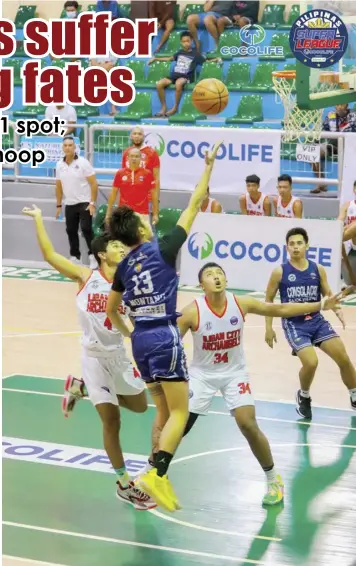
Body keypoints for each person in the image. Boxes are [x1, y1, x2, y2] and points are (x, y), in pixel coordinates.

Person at [105, 141, 223, 513]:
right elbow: (195, 203)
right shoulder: (165, 246)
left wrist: (130, 333)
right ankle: (156, 474)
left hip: (139, 340)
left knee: (162, 411)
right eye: (143, 220)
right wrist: (208, 167)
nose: (147, 221)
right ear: (140, 230)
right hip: (163, 336)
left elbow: (112, 310)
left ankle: (156, 469)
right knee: (180, 413)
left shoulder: (123, 267)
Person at [22, 205, 158, 511]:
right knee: (112, 421)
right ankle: (125, 485)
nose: (122, 249)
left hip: (119, 357)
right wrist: (41, 219)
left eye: (124, 245)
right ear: (101, 254)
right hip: (94, 359)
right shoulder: (86, 276)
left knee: (139, 406)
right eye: (115, 246)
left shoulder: (131, 281)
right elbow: (50, 256)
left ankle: (80, 389)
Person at [176, 262, 342, 505]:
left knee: (248, 424)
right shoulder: (191, 311)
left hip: (235, 373)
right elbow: (172, 345)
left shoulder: (241, 303)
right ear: (201, 285)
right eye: (210, 275)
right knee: (179, 426)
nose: (217, 277)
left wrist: (320, 304)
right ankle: (153, 474)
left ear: (226, 280)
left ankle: (273, 479)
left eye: (220, 273)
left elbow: (282, 308)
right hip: (203, 375)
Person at [265, 227, 356, 419]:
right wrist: (268, 328)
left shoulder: (317, 269)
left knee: (344, 358)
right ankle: (304, 396)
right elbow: (269, 301)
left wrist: (337, 309)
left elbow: (328, 295)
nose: (295, 247)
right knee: (311, 362)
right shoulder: (279, 272)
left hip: (316, 321)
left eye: (299, 243)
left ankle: (354, 395)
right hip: (294, 324)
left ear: (307, 245)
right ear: (287, 247)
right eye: (291, 244)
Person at [149, 31, 221, 117]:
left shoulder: (196, 54)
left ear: (191, 41)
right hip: (174, 75)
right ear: (181, 42)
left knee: (178, 83)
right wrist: (156, 59)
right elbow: (169, 59)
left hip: (186, 77)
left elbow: (206, 62)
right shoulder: (179, 53)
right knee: (159, 84)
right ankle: (164, 107)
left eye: (188, 41)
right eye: (183, 41)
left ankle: (175, 108)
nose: (186, 43)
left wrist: (216, 59)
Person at [55, 136, 98, 268]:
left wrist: (92, 203)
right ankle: (75, 257)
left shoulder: (83, 163)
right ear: (63, 148)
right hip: (70, 203)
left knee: (86, 229)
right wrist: (58, 205)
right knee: (71, 230)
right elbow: (58, 186)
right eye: (65, 145)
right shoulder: (59, 165)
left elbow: (94, 184)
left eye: (70, 145)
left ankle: (93, 256)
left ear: (75, 147)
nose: (68, 147)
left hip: (84, 202)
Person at [105, 147, 159, 226]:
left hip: (142, 214)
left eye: (137, 156)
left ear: (141, 158)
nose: (134, 159)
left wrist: (155, 214)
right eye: (132, 156)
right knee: (123, 238)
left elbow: (154, 194)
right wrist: (108, 213)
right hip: (124, 214)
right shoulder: (120, 173)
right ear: (127, 158)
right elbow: (113, 194)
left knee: (142, 238)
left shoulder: (148, 174)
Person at [311, 104, 356, 194]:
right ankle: (321, 183)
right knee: (314, 152)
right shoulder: (330, 114)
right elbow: (324, 129)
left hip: (349, 146)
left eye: (342, 105)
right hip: (332, 145)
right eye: (337, 105)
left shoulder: (353, 115)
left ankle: (349, 188)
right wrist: (315, 140)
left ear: (346, 106)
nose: (339, 107)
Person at [121, 127, 160, 207]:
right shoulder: (126, 153)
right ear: (131, 136)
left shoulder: (152, 153)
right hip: (128, 199)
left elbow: (156, 178)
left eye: (139, 134)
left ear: (144, 136)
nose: (137, 136)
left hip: (146, 199)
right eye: (134, 134)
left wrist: (156, 199)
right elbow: (123, 176)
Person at [338, 181, 356, 286]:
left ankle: (337, 238)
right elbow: (338, 224)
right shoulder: (347, 206)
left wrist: (347, 227)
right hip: (350, 242)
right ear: (354, 190)